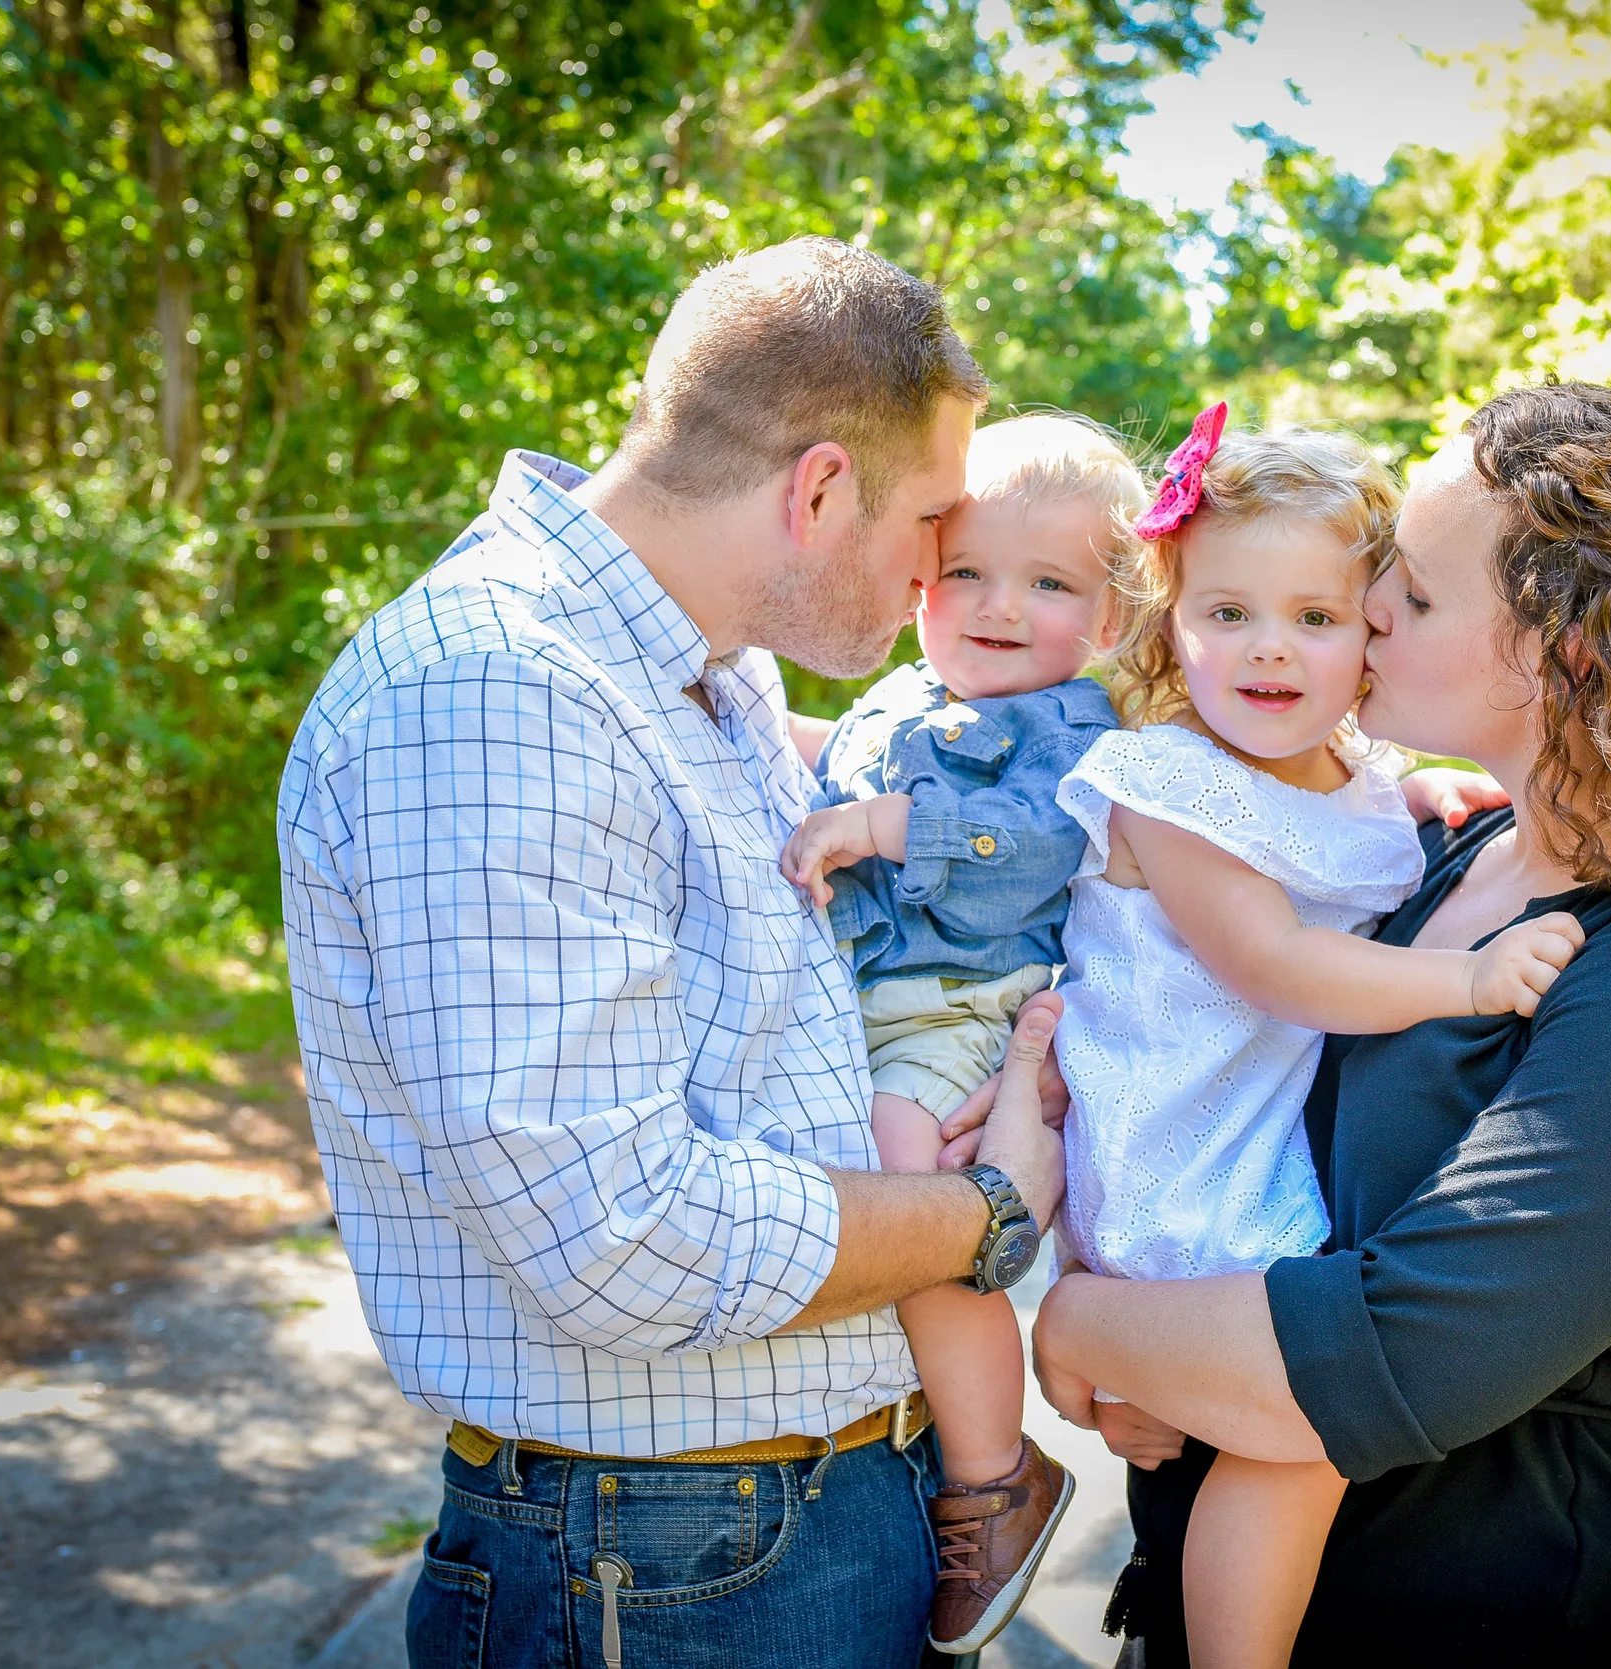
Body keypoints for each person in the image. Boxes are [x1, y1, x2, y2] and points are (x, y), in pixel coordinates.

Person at [1013, 377, 1611, 1666]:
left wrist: (1081, 1325)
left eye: (1419, 594)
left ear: (1564, 653)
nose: (1369, 607)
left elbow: (1381, 1359)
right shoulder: (1442, 858)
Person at [276, 236, 1072, 1669]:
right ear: (821, 488)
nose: (936, 574)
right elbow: (621, 1235)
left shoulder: (710, 674)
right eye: (933, 523)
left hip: (783, 1522)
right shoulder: (497, 694)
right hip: (665, 1568)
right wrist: (983, 1215)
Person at [1046, 409, 1583, 1669]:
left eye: (1315, 617)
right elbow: (1272, 961)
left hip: (1243, 1143)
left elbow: (1327, 830)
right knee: (1303, 1437)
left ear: (1371, 638)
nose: (1268, 649)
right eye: (1226, 612)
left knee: (1284, 1441)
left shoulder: (1349, 773)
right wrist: (1463, 978)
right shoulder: (1162, 782)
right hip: (1177, 1157)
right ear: (1171, 621)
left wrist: (1410, 792)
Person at [775, 413, 1147, 1654]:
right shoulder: (900, 696)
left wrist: (884, 828)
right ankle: (946, 1427)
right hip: (875, 1001)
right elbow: (826, 767)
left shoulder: (1077, 729)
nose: (998, 607)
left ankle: (993, 1477)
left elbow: (1029, 850)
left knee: (905, 1187)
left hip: (966, 1000)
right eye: (969, 574)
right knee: (866, 1185)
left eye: (1049, 584)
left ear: (1106, 617)